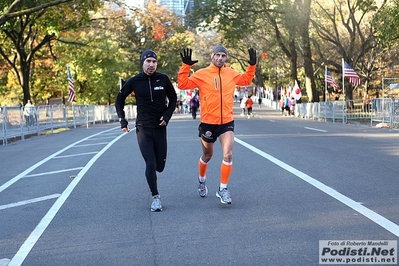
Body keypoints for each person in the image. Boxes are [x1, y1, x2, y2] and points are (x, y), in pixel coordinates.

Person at [178, 44, 256, 204]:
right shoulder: (202, 74)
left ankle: (223, 189)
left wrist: (252, 65)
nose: (220, 58)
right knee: (208, 155)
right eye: (217, 55)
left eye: (223, 56)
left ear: (226, 58)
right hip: (208, 122)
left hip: (226, 121)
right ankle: (201, 180)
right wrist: (185, 66)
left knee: (228, 153)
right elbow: (183, 84)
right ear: (212, 56)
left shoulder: (231, 74)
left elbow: (246, 80)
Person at [115, 49, 177, 212]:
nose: (151, 64)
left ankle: (155, 178)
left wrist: (167, 116)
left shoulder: (163, 79)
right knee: (150, 163)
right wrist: (123, 119)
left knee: (160, 166)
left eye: (154, 61)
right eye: (148, 61)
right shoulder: (135, 81)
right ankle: (155, 197)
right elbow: (119, 99)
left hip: (160, 127)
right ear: (142, 62)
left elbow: (173, 99)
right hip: (143, 127)